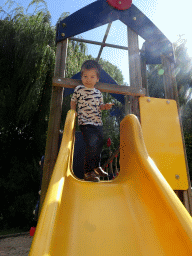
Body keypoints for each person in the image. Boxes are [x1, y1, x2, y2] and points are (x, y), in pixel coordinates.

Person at [71, 60, 114, 182]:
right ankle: (88, 172)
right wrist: (73, 112)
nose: (88, 79)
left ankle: (96, 166)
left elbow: (99, 106)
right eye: (85, 76)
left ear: (97, 79)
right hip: (85, 122)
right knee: (91, 143)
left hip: (97, 122)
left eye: (92, 77)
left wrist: (105, 106)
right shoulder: (79, 89)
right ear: (81, 77)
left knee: (100, 142)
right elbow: (73, 101)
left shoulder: (98, 93)